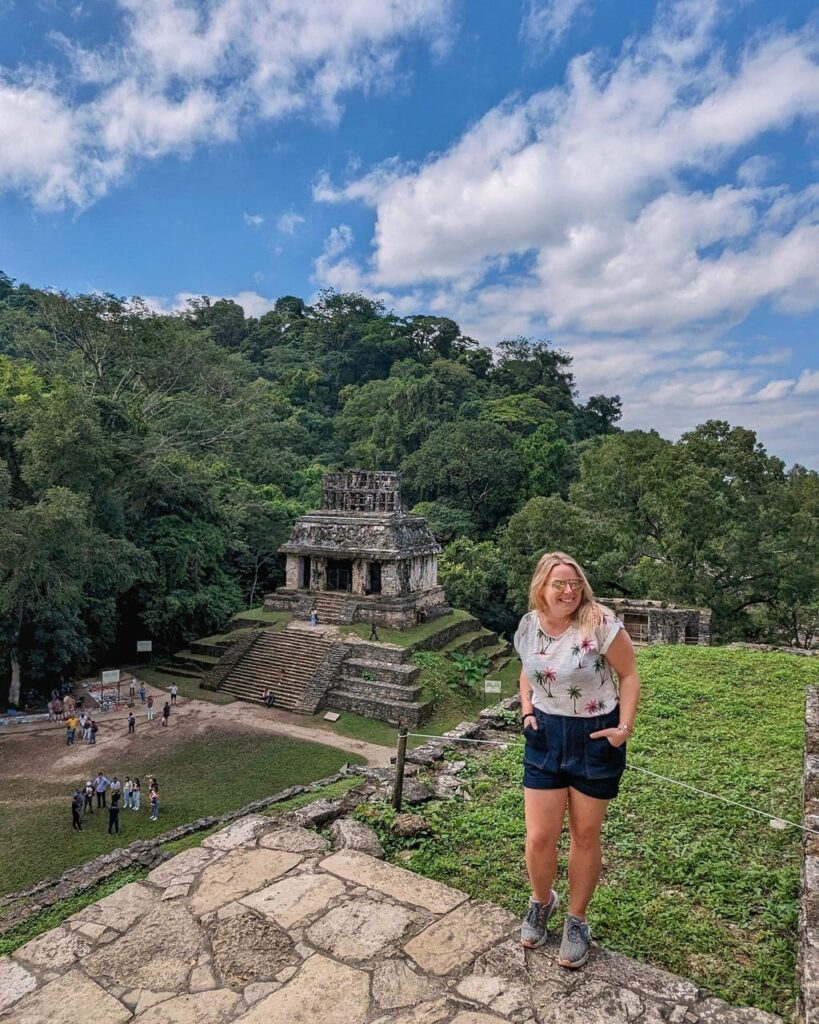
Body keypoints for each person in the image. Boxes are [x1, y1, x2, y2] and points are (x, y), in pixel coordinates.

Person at [515, 552, 640, 969]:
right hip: (546, 735)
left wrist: (623, 728)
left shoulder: (598, 621)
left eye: (575, 584)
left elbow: (630, 673)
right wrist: (527, 710)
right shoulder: (529, 626)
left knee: (585, 835)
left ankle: (577, 919)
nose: (569, 591)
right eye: (559, 584)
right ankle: (541, 900)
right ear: (541, 588)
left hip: (594, 734)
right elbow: (527, 670)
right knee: (539, 837)